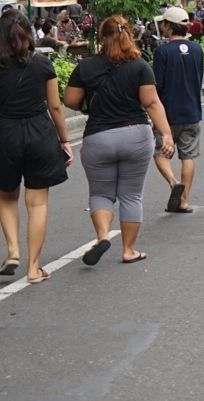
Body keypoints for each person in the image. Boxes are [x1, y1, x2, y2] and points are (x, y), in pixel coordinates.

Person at [65, 15, 175, 266]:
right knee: (131, 195)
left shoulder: (86, 66)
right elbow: (151, 102)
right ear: (130, 35)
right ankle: (128, 250)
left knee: (101, 194)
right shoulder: (139, 65)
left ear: (101, 37)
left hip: (98, 138)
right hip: (135, 135)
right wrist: (166, 133)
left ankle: (103, 236)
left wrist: (88, 103)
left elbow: (70, 101)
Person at [0, 12, 73, 279]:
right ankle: (33, 268)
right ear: (29, 33)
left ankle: (13, 250)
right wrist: (65, 140)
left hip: (6, 133)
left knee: (7, 196)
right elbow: (55, 106)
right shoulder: (42, 64)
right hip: (40, 132)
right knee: (37, 203)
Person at [151, 9, 204, 213]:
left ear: (168, 26)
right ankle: (184, 200)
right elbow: (198, 78)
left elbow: (158, 85)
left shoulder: (162, 52)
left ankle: (173, 183)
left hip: (167, 113)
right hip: (191, 110)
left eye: (164, 22)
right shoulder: (197, 49)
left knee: (160, 151)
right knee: (187, 156)